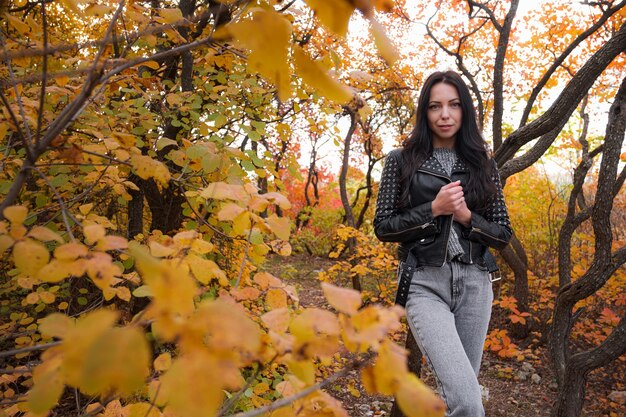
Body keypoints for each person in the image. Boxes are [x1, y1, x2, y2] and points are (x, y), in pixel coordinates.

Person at [374, 70, 512, 417]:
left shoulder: (483, 164)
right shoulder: (401, 161)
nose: (444, 114)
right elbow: (384, 227)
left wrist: (466, 217)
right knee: (468, 401)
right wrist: (432, 209)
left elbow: (502, 233)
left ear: (465, 110)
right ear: (425, 112)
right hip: (424, 283)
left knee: (459, 396)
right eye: (435, 106)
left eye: (453, 105)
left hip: (476, 283)